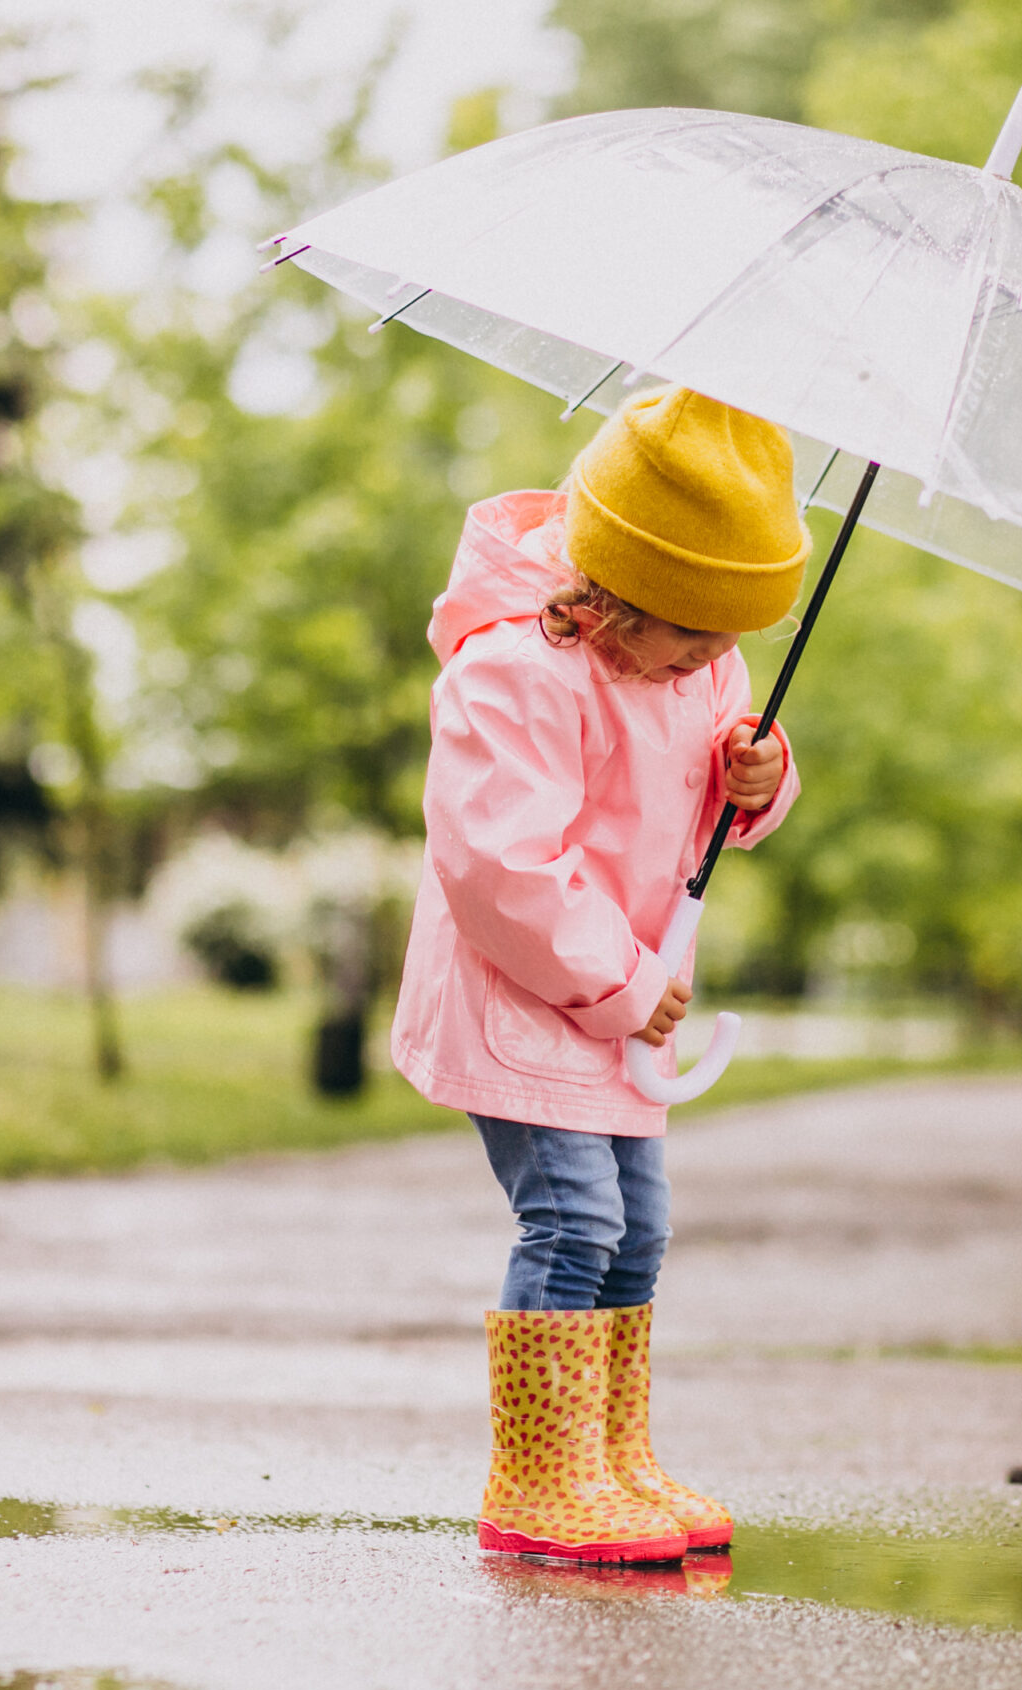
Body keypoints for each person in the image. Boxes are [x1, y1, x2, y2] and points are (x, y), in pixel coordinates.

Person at [391, 386, 807, 1565]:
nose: (717, 664)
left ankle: (608, 1456)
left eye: (732, 645)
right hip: (527, 997)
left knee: (640, 1231)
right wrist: (623, 985)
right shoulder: (511, 676)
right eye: (693, 636)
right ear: (614, 595)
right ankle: (537, 1475)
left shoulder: (698, 672)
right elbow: (501, 864)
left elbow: (708, 822)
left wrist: (758, 782)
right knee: (572, 1219)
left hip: (623, 1006)